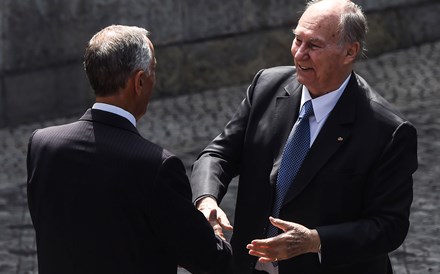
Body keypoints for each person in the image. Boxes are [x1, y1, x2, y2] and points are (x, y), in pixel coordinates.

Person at [190, 0, 418, 273]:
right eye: (298, 40)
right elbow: (218, 154)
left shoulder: (388, 131)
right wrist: (206, 199)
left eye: (314, 45)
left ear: (350, 52)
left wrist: (315, 241)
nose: (299, 54)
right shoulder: (266, 86)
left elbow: (389, 226)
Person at [26, 25, 231, 274]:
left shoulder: (42, 144)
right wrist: (214, 231)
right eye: (153, 69)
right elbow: (208, 259)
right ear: (140, 81)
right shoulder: (157, 166)